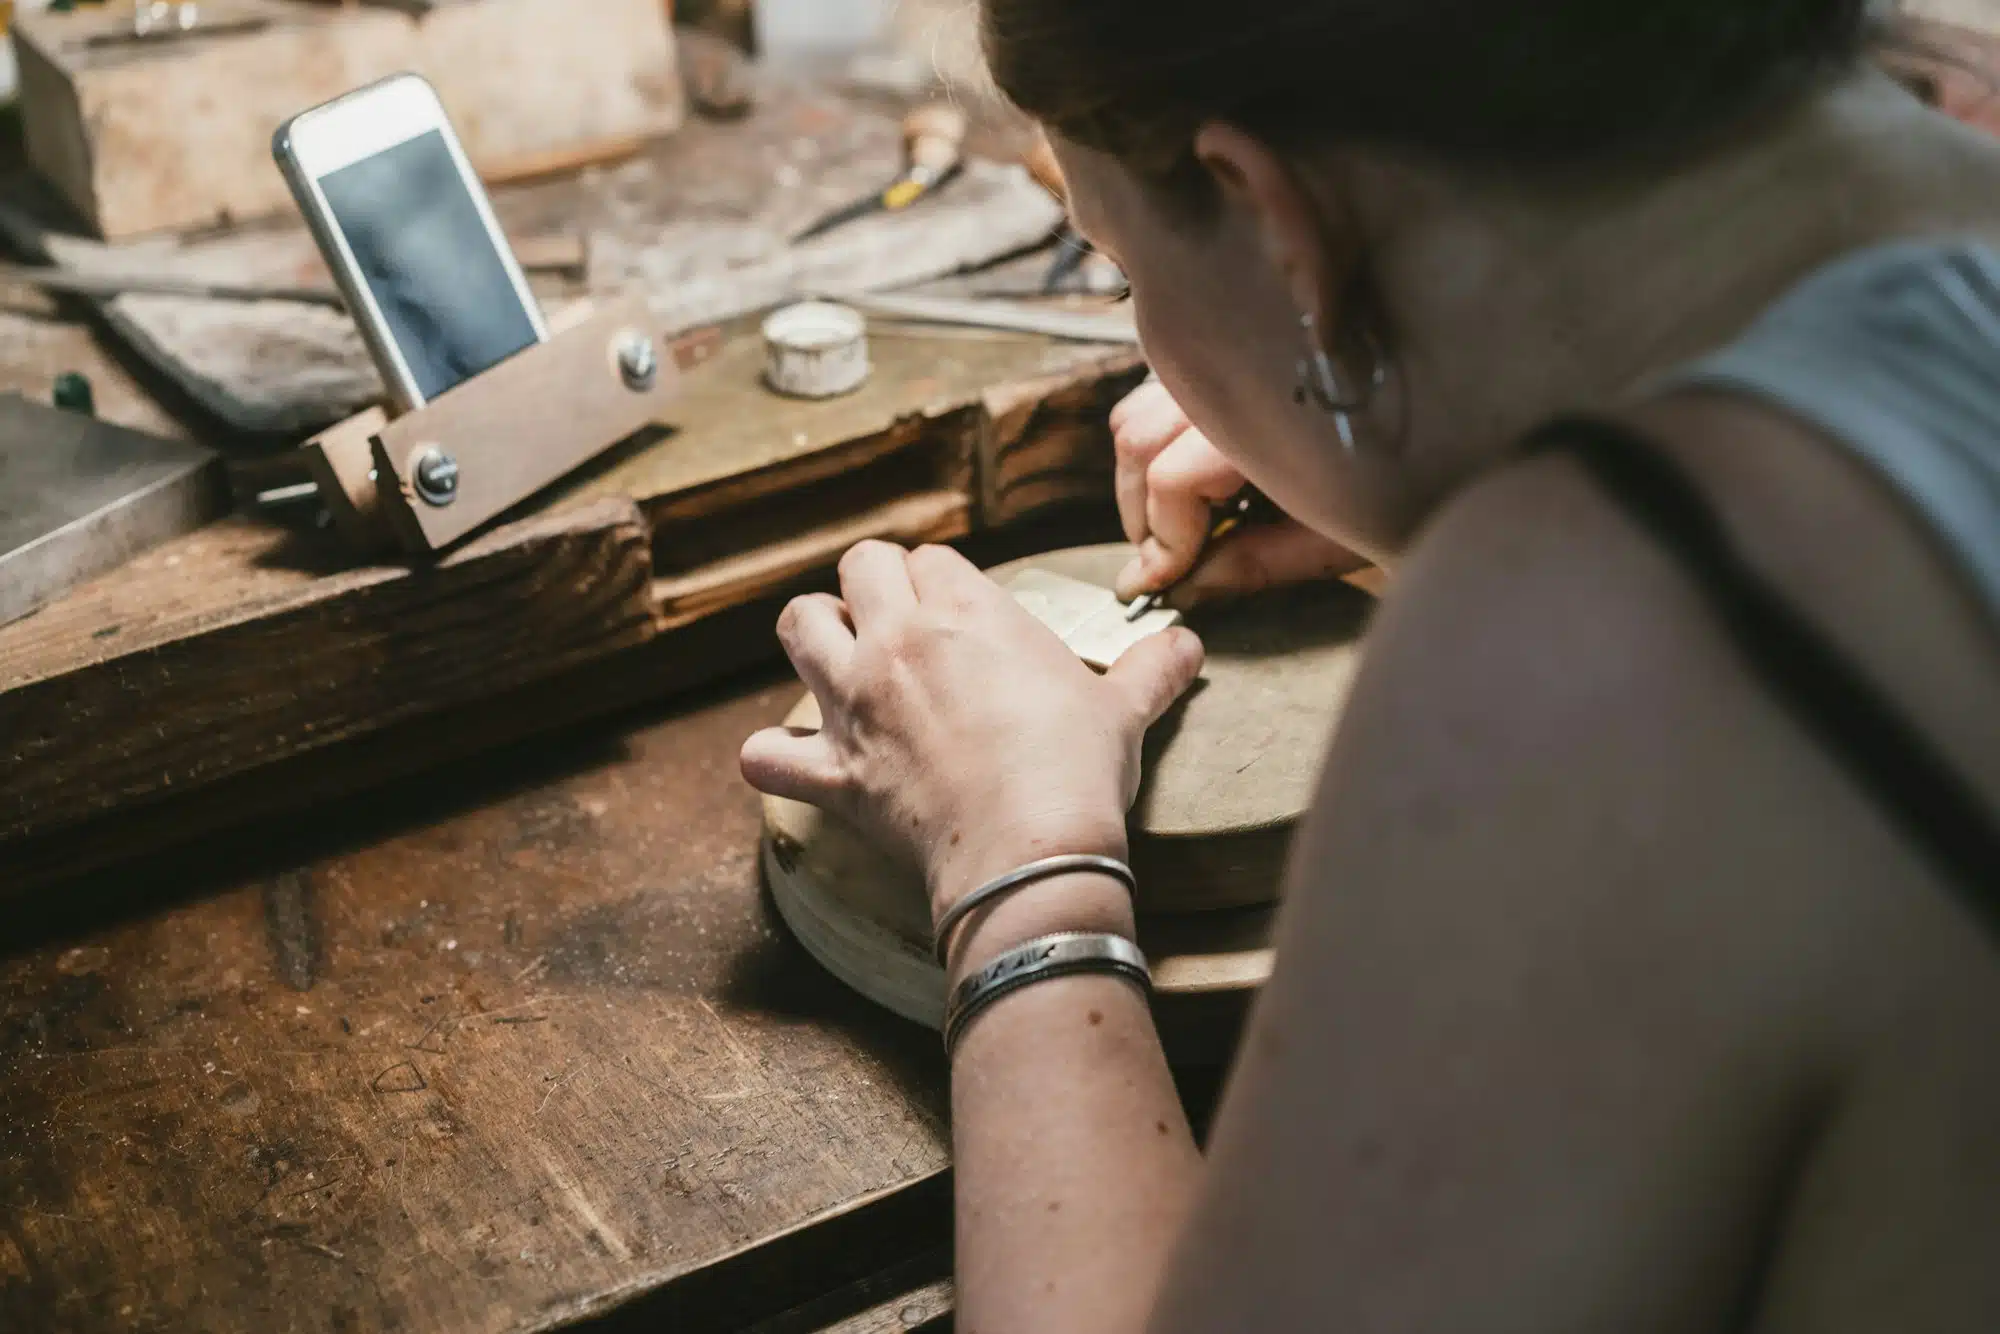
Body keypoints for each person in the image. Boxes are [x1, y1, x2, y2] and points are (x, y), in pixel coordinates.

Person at [741, 2, 2000, 1328]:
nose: (1137, 315)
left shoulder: (1601, 631)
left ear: (1281, 230)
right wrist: (1402, 417)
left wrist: (1019, 866)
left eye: (1122, 270)